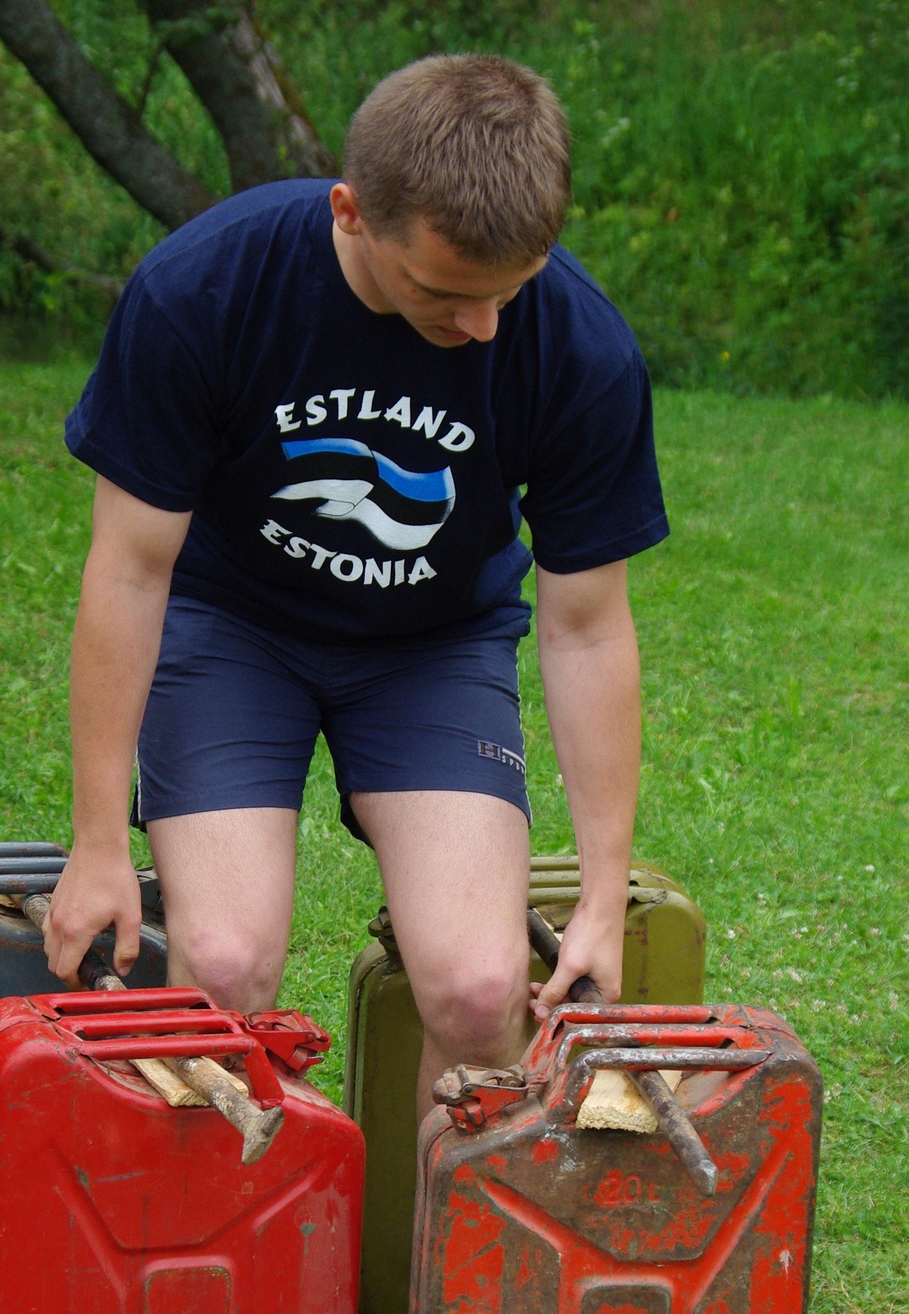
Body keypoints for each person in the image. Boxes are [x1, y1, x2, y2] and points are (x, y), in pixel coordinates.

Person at [44, 53, 668, 1115]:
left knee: (480, 992)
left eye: (507, 291)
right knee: (224, 966)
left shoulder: (578, 347)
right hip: (233, 626)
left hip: (434, 649)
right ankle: (227, 1225)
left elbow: (588, 630)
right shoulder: (205, 290)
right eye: (444, 293)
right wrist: (98, 843)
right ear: (350, 214)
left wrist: (603, 894)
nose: (482, 326)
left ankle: (436, 1228)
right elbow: (132, 572)